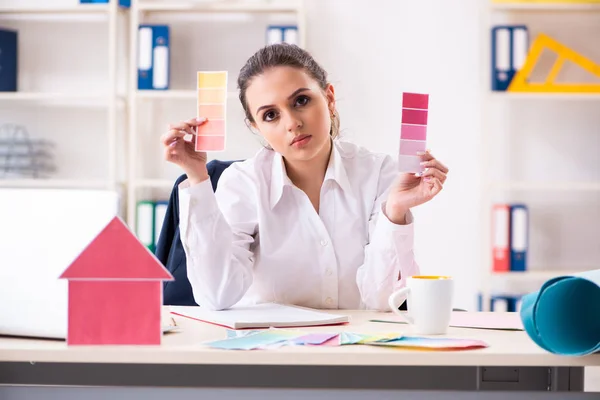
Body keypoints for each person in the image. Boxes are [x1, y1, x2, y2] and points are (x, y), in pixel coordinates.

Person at [161, 43, 449, 311]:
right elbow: (217, 295)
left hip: (355, 352)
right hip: (272, 354)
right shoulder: (242, 183)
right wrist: (197, 177)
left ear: (329, 98)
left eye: (301, 101)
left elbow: (382, 300)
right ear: (256, 127)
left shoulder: (378, 173)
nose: (293, 123)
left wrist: (395, 212)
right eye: (271, 115)